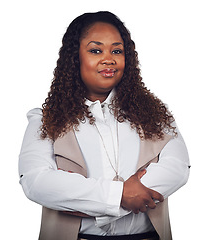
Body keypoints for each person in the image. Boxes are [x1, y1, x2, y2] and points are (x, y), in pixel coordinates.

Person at [19, 11, 190, 240]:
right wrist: (119, 196)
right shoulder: (46, 119)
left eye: (117, 51)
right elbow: (37, 182)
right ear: (75, 57)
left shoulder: (154, 114)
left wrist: (90, 204)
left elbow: (177, 168)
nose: (108, 58)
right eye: (95, 50)